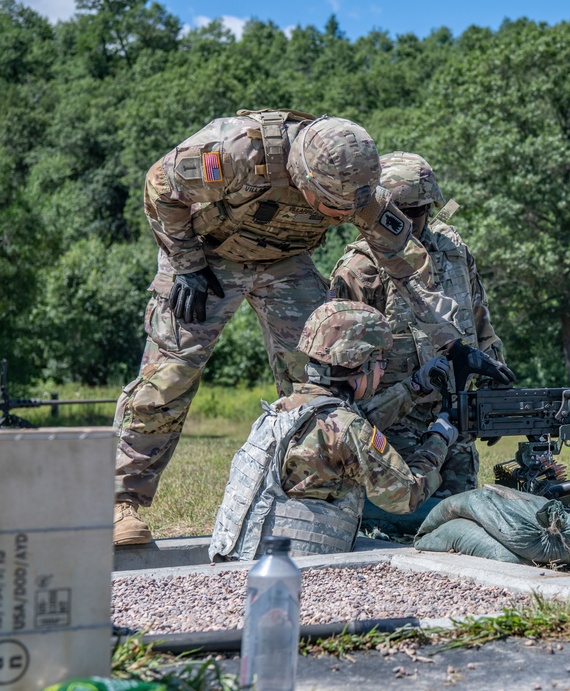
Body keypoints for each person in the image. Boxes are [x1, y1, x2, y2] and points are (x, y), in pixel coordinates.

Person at [113, 110, 513, 546]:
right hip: (206, 257)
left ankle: (316, 492)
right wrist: (186, 264)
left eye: (349, 209)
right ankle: (120, 502)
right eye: (332, 206)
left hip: (285, 262)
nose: (343, 215)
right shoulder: (240, 150)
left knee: (321, 368)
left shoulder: (361, 192)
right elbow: (159, 184)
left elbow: (404, 270)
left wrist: (451, 344)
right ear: (301, 176)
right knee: (171, 372)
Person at [209, 300, 457, 560]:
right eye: (381, 362)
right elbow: (407, 494)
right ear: (362, 363)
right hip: (304, 569)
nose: (383, 372)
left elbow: (356, 420)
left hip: (245, 557)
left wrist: (414, 386)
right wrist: (439, 439)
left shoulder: (285, 409)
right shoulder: (347, 430)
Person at [331, 152, 506, 502]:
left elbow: (478, 317)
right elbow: (340, 368)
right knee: (403, 526)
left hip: (454, 417)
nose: (411, 222)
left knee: (459, 518)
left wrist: (492, 386)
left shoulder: (452, 250)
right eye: (400, 213)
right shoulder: (360, 268)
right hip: (396, 424)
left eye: (419, 211)